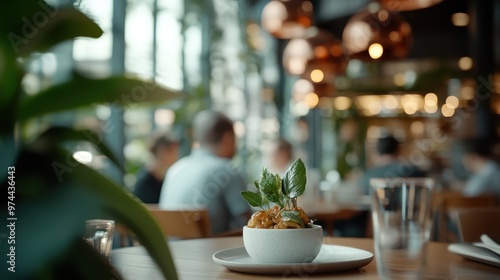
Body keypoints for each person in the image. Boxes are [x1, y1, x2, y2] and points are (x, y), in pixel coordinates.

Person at [158, 110, 251, 235]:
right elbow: (250, 224)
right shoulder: (227, 169)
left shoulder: (175, 169)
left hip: (171, 252)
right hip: (210, 252)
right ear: (227, 137)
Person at [360, 135, 427, 195]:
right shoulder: (411, 170)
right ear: (398, 150)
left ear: (377, 152)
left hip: (372, 208)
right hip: (406, 207)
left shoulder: (366, 175)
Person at [133, 131, 180, 204]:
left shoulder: (162, 179)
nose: (176, 155)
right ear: (161, 150)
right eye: (172, 150)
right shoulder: (144, 183)